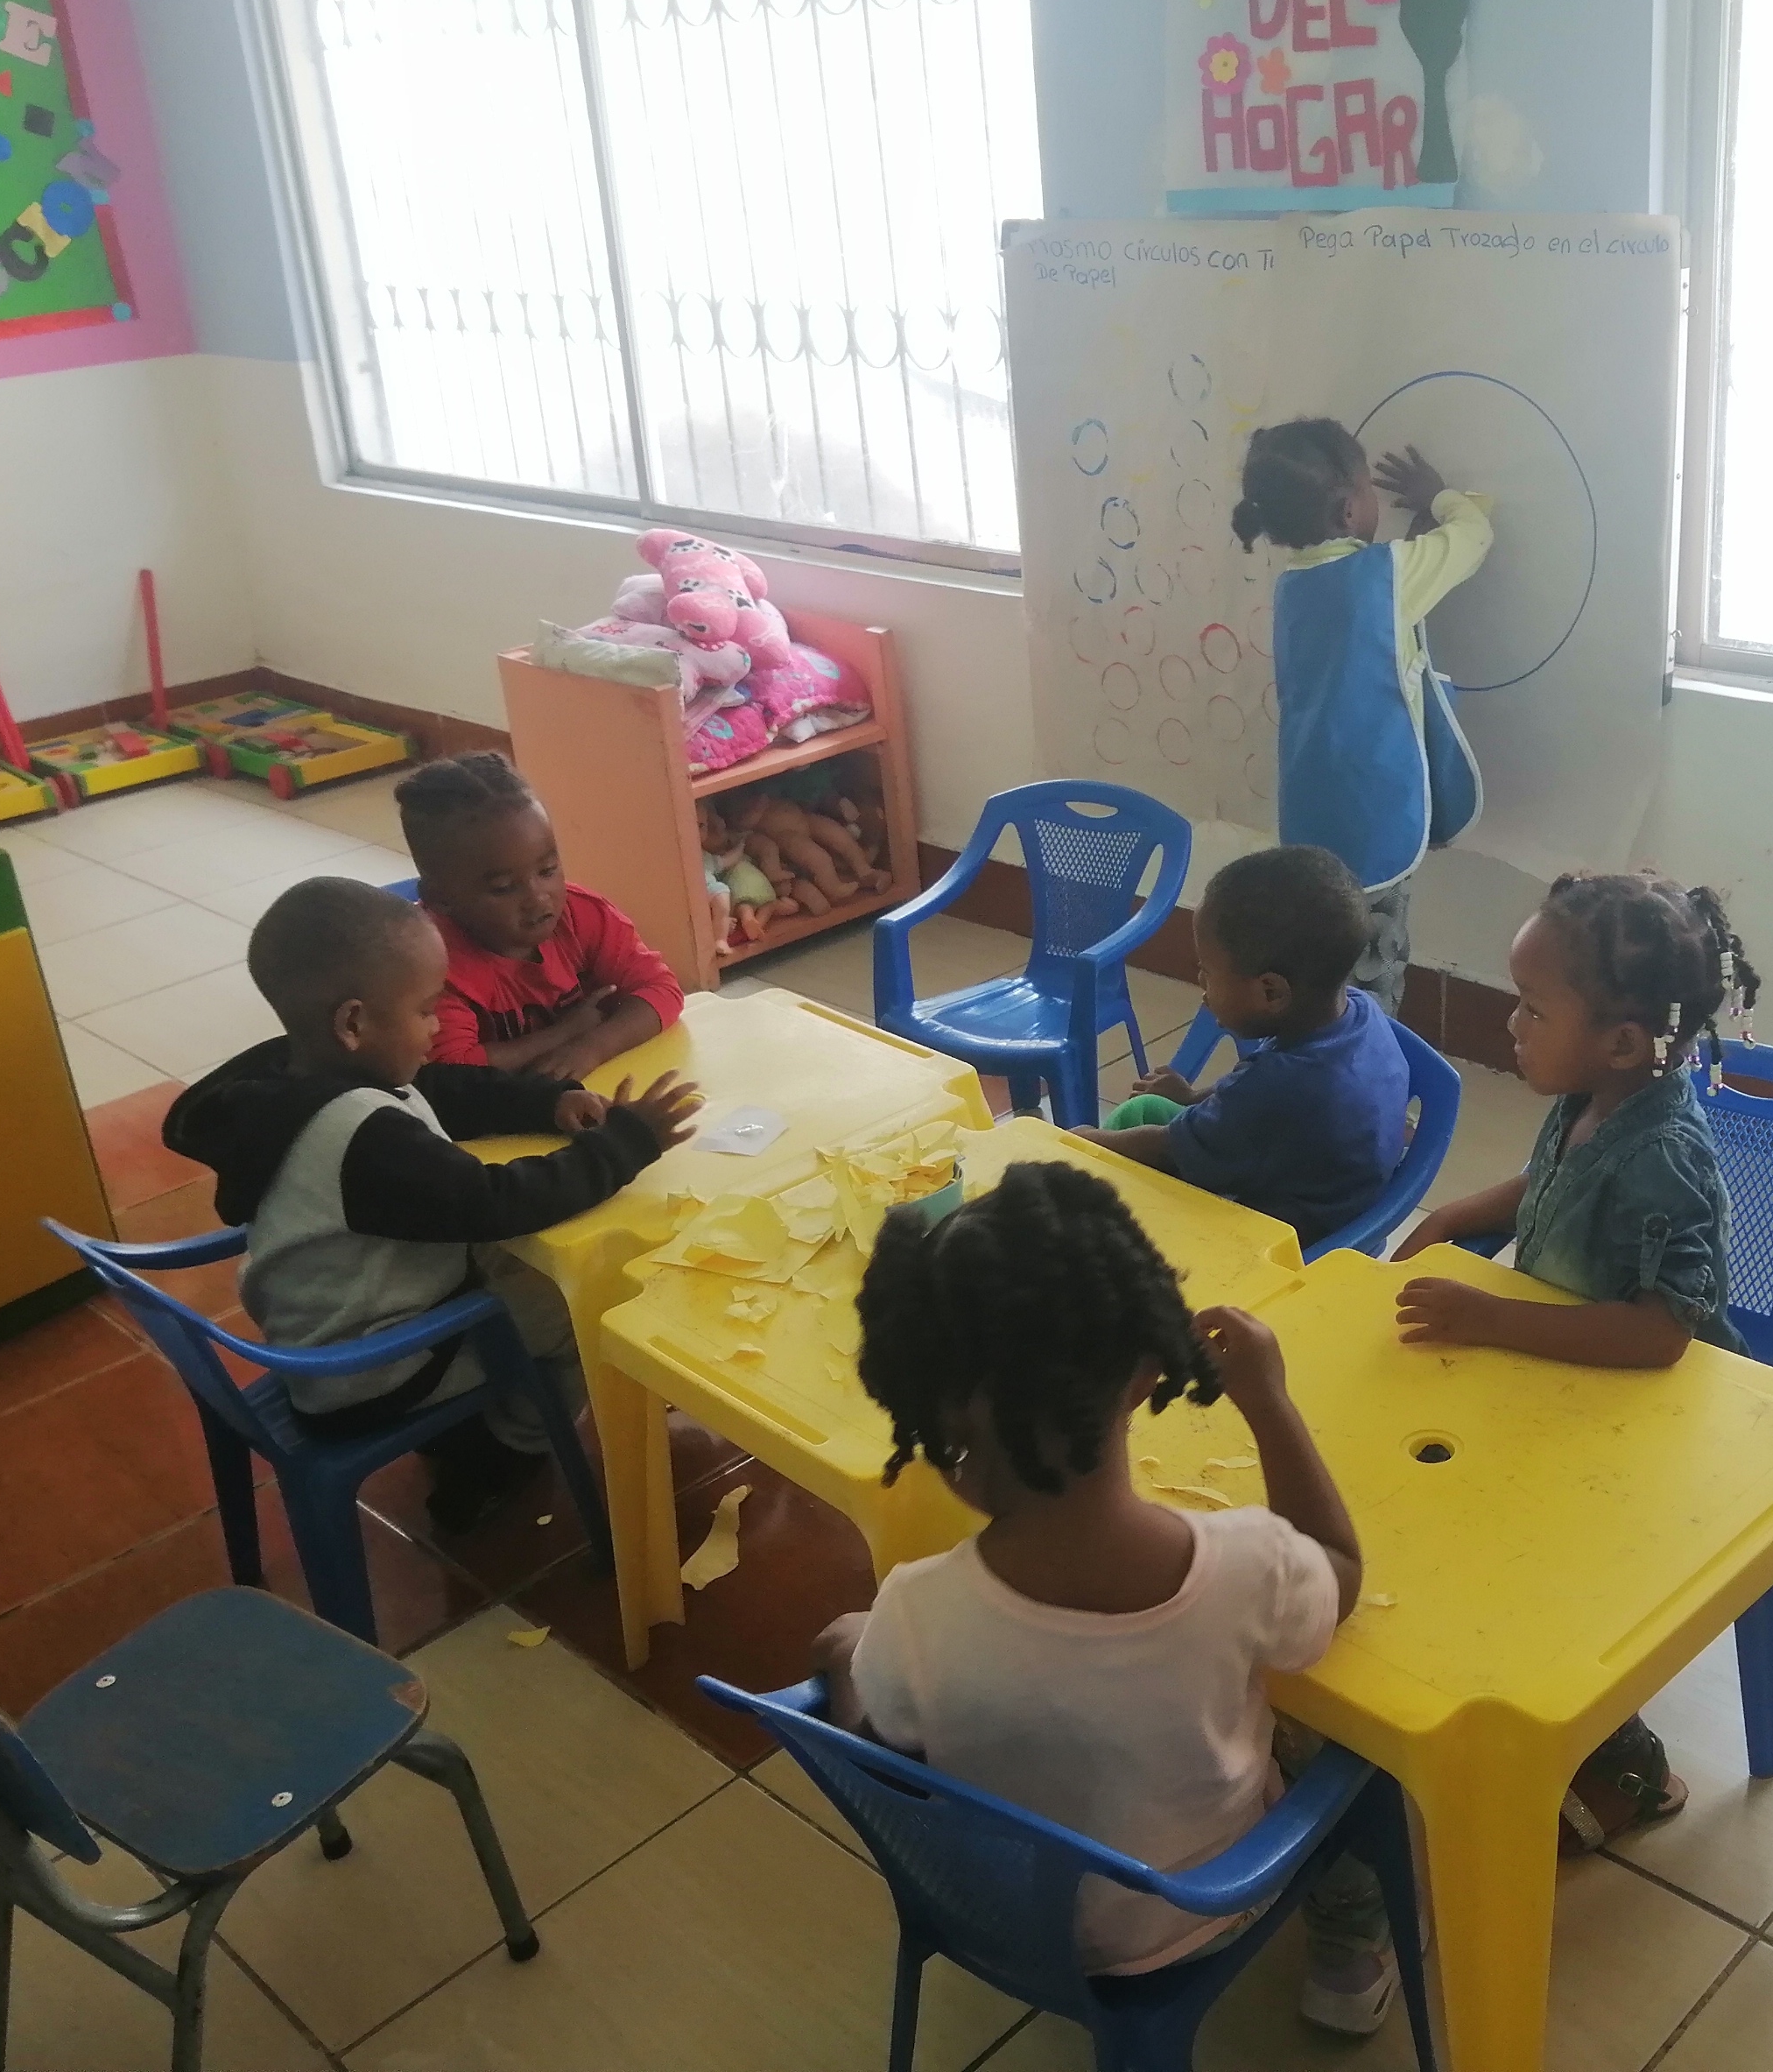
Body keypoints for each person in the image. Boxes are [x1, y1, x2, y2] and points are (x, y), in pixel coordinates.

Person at [811, 1162, 1401, 2036]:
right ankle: (1348, 1956)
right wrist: (1269, 1402)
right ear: (1147, 1373)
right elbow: (1340, 1568)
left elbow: (884, 1746)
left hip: (1012, 1920)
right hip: (1206, 1907)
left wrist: (845, 1655)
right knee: (1365, 1750)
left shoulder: (913, 1610)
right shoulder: (1248, 1564)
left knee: (849, 1639)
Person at [1390, 867, 1763, 1850]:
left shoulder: (1664, 1155)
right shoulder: (1595, 1096)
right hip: (1563, 1375)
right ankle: (1479, 1687)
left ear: (1624, 1042)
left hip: (1650, 1414)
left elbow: (1661, 1334)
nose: (1510, 1024)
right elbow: (1548, 1179)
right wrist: (1457, 1215)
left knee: (1538, 1570)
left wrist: (1489, 1317)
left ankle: (1631, 1772)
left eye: (1531, 1007)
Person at [165, 877, 705, 1533]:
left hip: (332, 1321)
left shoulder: (298, 1074)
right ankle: (504, 1454)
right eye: (426, 1011)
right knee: (580, 1314)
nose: (438, 1027)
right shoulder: (362, 1137)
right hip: (372, 1369)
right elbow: (497, 1202)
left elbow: (443, 1088)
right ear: (354, 1023)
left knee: (523, 1272)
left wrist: (544, 1101)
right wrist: (626, 1144)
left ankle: (479, 1422)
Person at [1234, 419, 1493, 1016]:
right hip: (1373, 815)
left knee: (1323, 957)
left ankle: (1318, 1044)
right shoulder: (1387, 575)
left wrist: (1407, 547)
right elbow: (1474, 536)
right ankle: (1365, 1061)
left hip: (1311, 811)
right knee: (1372, 968)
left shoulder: (1294, 587)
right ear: (1350, 510)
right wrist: (1440, 497)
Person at [1072, 844, 1411, 1248]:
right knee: (1144, 1111)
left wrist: (1082, 1142)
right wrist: (1191, 1097)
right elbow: (1253, 1096)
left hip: (1273, 1241)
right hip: (1329, 1196)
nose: (1201, 986)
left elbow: (1169, 1151)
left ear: (1271, 992)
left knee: (1100, 1183)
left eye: (1207, 973)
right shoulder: (1360, 1013)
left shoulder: (1283, 1086)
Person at [396, 751, 687, 1075]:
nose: (538, 898)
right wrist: (566, 1033)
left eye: (547, 870)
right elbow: (454, 1071)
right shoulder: (430, 965)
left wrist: (593, 1047)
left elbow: (662, 989)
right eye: (504, 888)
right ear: (440, 899)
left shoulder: (582, 915)